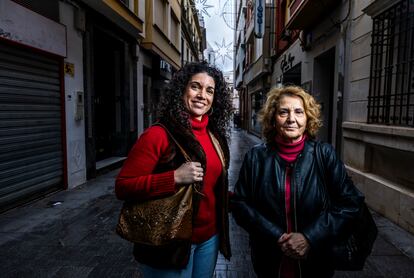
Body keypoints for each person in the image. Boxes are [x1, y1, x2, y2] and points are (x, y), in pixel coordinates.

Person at [231, 85, 364, 277]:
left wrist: (309, 237)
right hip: (269, 257)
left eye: (299, 112)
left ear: (307, 117)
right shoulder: (256, 157)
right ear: (273, 118)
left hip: (316, 258)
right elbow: (240, 204)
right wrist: (277, 236)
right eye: (283, 112)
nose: (291, 119)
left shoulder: (324, 154)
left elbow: (350, 203)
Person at [115, 61, 232, 277]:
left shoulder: (216, 137)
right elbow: (123, 187)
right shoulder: (158, 134)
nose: (201, 95)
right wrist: (174, 177)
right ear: (182, 90)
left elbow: (211, 185)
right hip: (169, 241)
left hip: (209, 238)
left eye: (209, 90)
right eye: (195, 86)